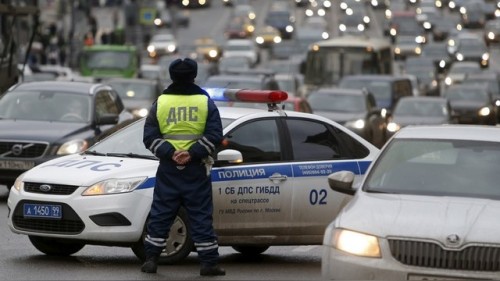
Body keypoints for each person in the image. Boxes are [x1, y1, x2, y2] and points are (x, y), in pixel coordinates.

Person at [141, 58, 225, 276]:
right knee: (200, 215)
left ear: (171, 76)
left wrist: (171, 154)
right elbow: (215, 135)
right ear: (194, 76)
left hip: (169, 168)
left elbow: (150, 137)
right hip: (196, 168)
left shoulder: (160, 102)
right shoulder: (204, 102)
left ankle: (151, 259)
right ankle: (208, 264)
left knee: (161, 213)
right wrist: (192, 153)